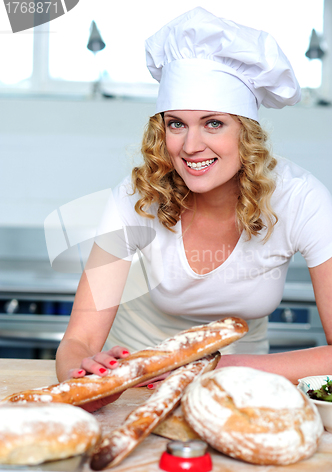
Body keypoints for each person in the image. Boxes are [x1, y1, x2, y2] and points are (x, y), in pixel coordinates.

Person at [55, 7, 332, 411]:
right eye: (177, 124)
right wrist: (86, 378)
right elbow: (77, 341)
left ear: (247, 131)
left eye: (214, 123)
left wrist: (223, 367)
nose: (190, 146)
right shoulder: (136, 198)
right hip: (137, 388)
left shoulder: (301, 199)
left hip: (246, 385)